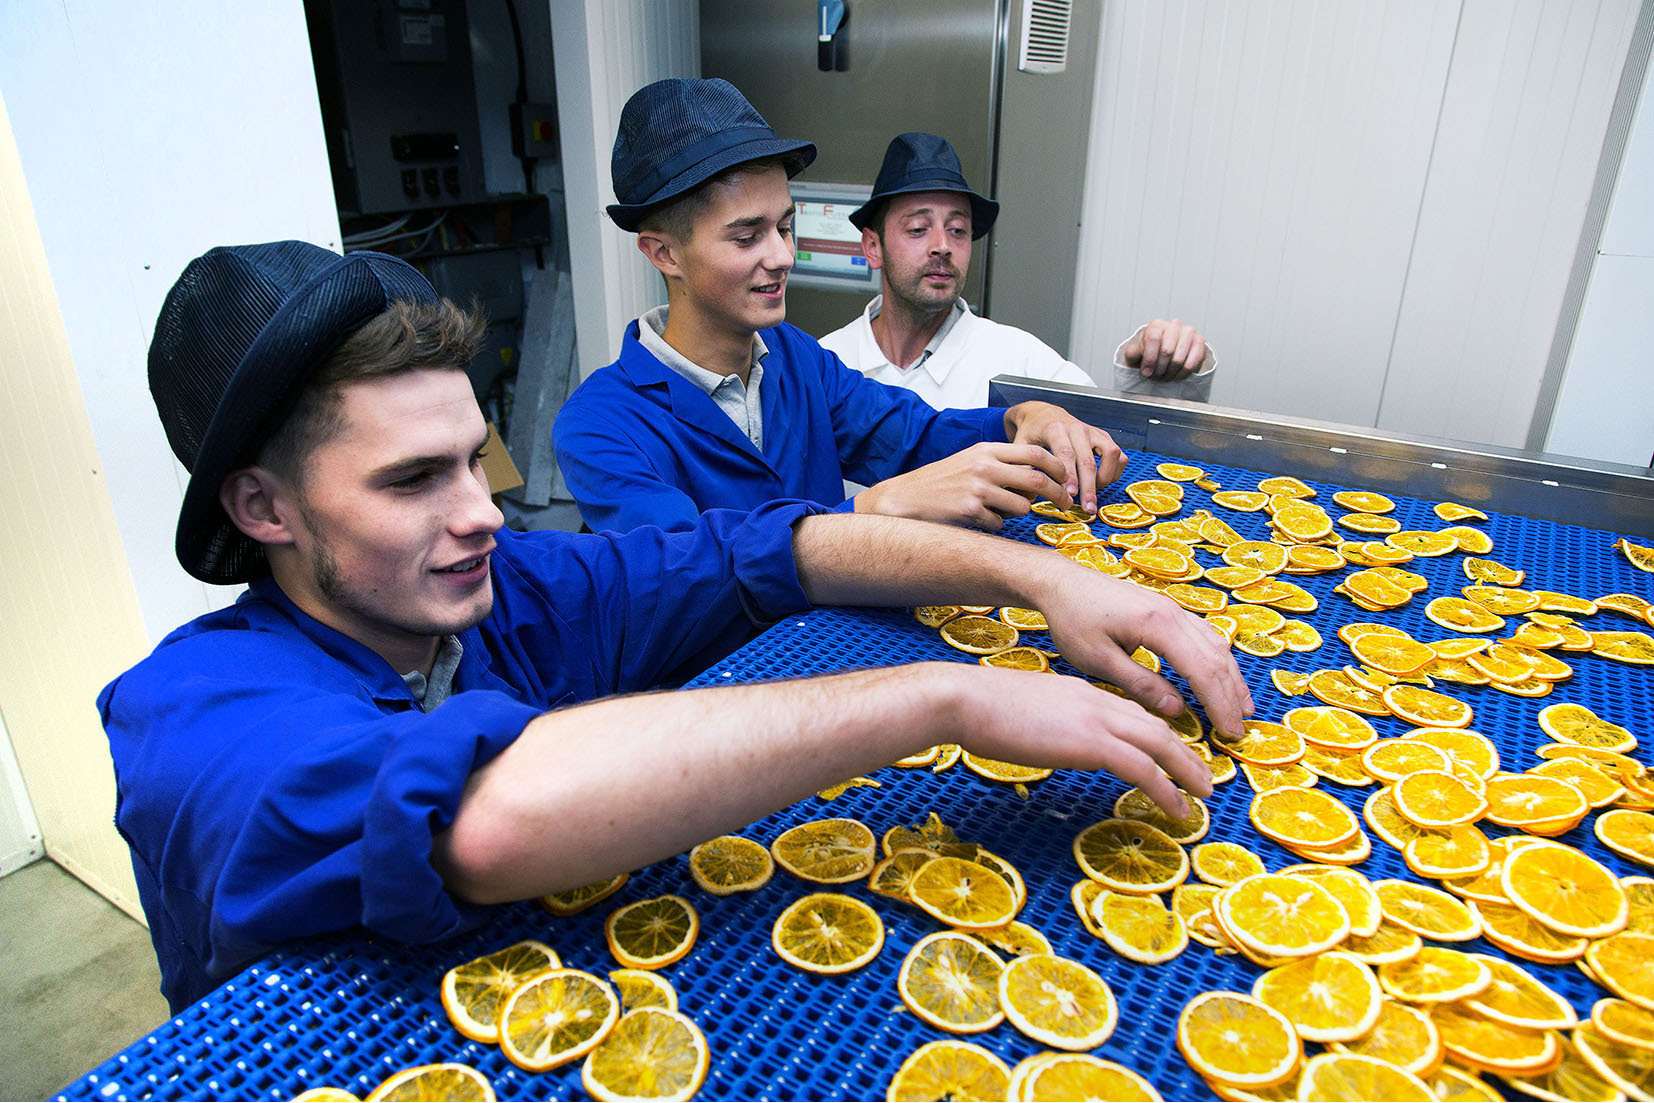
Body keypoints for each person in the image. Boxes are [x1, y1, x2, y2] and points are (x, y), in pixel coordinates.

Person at [101, 240, 1250, 1010]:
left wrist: (1039, 581)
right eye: (410, 482)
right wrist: (945, 696)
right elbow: (483, 815)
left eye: (474, 458)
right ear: (263, 505)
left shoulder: (508, 594)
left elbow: (759, 547)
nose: (478, 514)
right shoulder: (191, 715)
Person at [553, 78, 1126, 535]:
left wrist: (1020, 418)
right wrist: (874, 510)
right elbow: (685, 575)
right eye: (747, 236)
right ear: (664, 253)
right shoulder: (602, 424)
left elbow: (910, 435)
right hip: (722, 681)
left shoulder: (795, 358)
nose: (781, 257)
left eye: (784, 226)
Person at [819, 132, 1217, 408]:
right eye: (918, 229)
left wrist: (1155, 376)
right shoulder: (826, 362)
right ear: (873, 247)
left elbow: (1115, 438)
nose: (943, 245)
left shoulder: (1020, 363)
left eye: (958, 230)